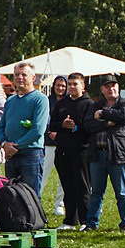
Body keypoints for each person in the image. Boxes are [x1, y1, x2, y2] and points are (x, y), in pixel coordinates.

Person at [80, 75, 125, 233]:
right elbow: (88, 124)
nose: (111, 88)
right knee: (96, 192)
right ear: (102, 89)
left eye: (114, 85)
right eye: (107, 86)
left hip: (118, 154)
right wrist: (108, 122)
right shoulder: (95, 105)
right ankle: (91, 223)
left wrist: (103, 114)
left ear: (118, 87)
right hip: (97, 155)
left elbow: (124, 116)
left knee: (121, 192)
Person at [0, 64, 51, 201]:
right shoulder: (10, 100)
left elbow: (38, 130)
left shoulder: (40, 99)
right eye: (16, 75)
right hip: (10, 156)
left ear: (33, 78)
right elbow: (1, 127)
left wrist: (15, 147)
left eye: (24, 74)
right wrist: (4, 144)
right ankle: (16, 222)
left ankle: (33, 222)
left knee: (30, 196)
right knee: (12, 195)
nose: (19, 77)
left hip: (30, 154)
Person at [48, 75, 90, 227]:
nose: (72, 87)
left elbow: (91, 128)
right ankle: (70, 220)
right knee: (67, 186)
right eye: (70, 84)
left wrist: (76, 127)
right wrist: (63, 125)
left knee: (82, 186)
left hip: (81, 151)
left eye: (75, 84)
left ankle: (85, 220)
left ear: (82, 85)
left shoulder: (88, 104)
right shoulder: (62, 104)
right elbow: (52, 125)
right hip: (62, 150)